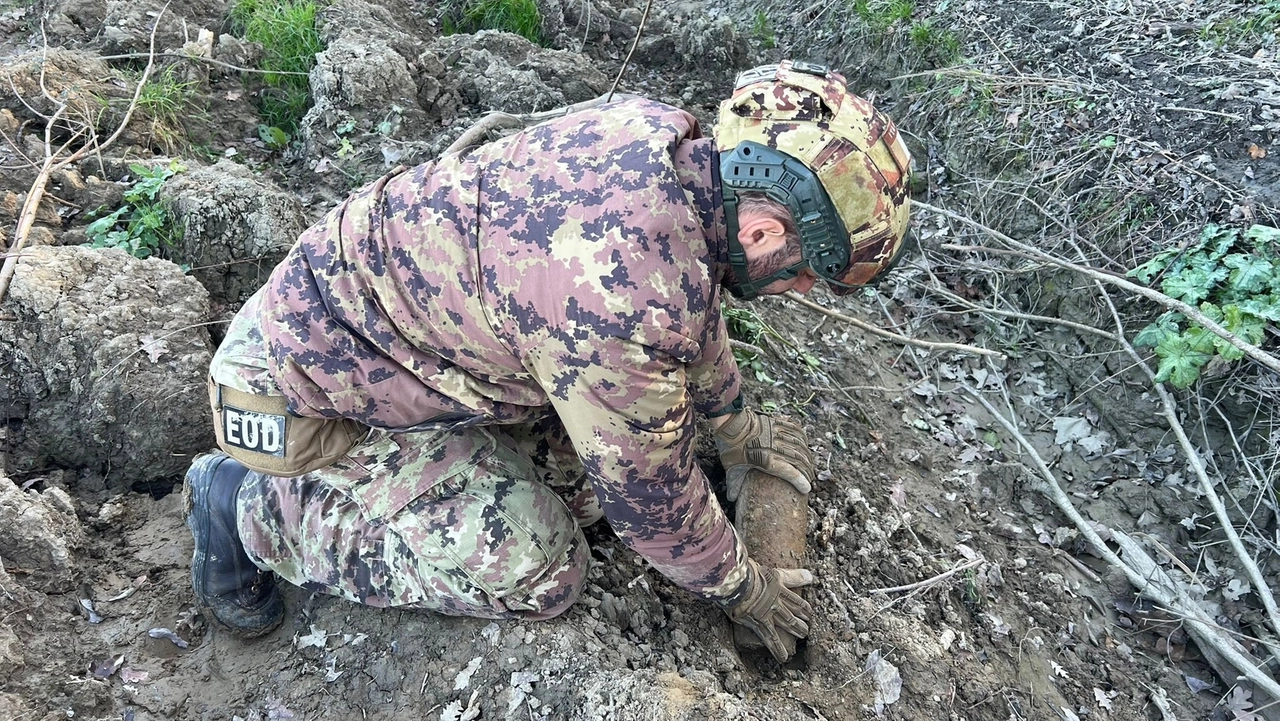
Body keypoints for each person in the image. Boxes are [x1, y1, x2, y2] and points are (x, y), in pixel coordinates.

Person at [184, 60, 912, 662]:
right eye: (811, 270)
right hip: (301, 391)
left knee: (577, 488)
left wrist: (734, 425)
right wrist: (744, 587)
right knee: (544, 571)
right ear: (760, 229)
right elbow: (655, 510)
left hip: (398, 333)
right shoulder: (620, 298)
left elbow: (691, 307)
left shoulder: (664, 142)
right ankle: (247, 507)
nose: (805, 288)